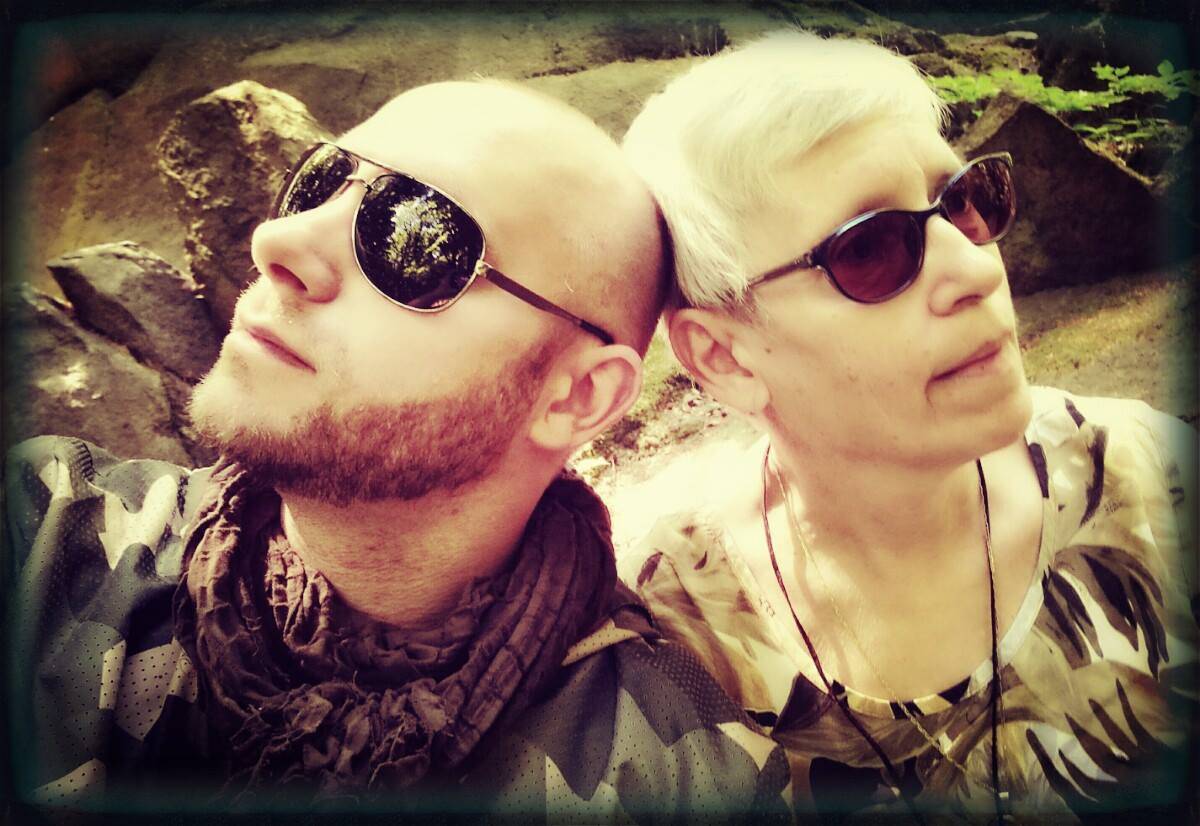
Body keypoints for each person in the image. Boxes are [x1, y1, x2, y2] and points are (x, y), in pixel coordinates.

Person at [6, 80, 789, 821]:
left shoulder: (683, 781)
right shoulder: (41, 534)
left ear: (577, 395)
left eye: (417, 236)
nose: (277, 241)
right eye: (317, 185)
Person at [620, 30, 1198, 821]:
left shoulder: (1149, 480)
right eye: (870, 250)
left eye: (963, 201)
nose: (976, 269)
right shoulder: (667, 644)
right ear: (724, 357)